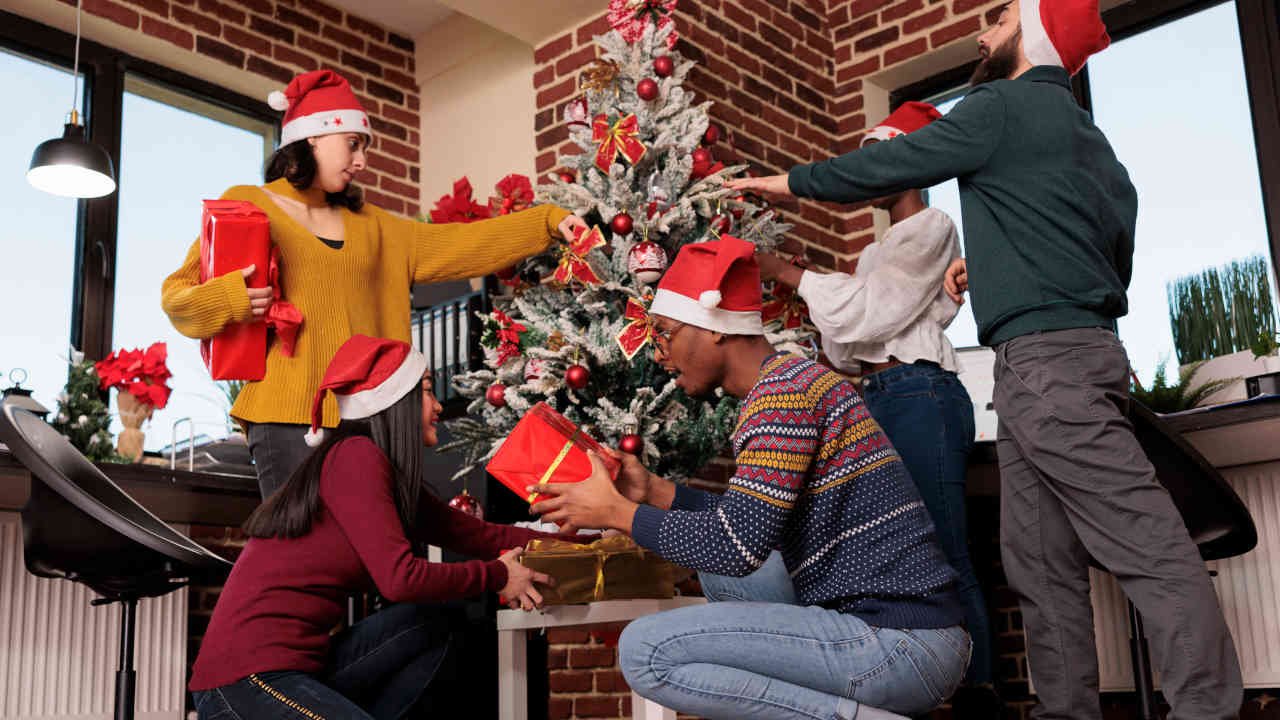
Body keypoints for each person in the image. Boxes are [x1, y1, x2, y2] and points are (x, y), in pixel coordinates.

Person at [727, 1, 1242, 717]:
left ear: (1031, 31)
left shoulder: (997, 106)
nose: (980, 33)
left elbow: (896, 161)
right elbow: (1109, 258)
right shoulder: (1094, 144)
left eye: (997, 20)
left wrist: (780, 183)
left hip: (1048, 369)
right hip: (1062, 361)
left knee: (1150, 550)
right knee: (1039, 564)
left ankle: (1209, 711)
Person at [529, 237, 969, 720]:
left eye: (666, 333)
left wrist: (615, 512)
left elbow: (734, 546)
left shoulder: (782, 397)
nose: (659, 354)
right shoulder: (791, 380)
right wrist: (653, 492)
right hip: (905, 633)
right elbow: (746, 526)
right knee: (729, 574)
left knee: (645, 651)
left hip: (899, 643)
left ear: (713, 328)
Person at [162, 69, 588, 498]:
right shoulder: (249, 202)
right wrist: (234, 298)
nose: (362, 161)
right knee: (302, 560)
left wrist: (547, 221)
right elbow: (178, 297)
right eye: (353, 144)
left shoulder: (377, 228)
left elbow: (465, 243)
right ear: (312, 138)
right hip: (284, 418)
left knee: (372, 558)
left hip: (371, 421)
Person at [756, 101, 999, 715]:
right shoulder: (872, 254)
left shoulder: (933, 227)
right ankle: (922, 688)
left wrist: (789, 273)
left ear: (914, 164)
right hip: (879, 397)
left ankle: (979, 694)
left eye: (882, 155)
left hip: (922, 394)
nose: (870, 169)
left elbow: (875, 314)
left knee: (941, 544)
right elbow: (846, 344)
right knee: (900, 547)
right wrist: (819, 296)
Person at [188, 335, 564, 719]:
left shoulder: (389, 478)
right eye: (429, 392)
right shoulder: (355, 457)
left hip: (303, 669)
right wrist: (498, 574)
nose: (438, 406)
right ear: (396, 402)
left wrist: (596, 534)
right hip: (245, 680)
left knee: (436, 624)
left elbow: (484, 536)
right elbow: (399, 579)